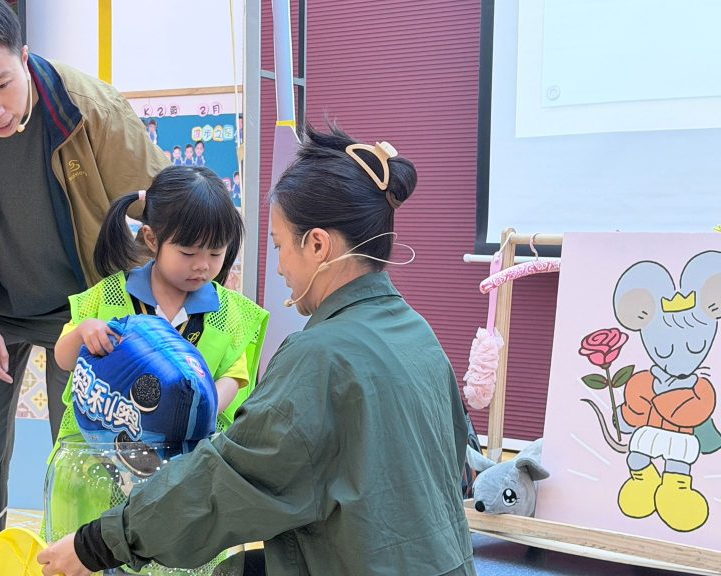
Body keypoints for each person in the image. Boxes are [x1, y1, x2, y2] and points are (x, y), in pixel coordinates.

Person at [38, 124, 476, 576]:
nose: (281, 267)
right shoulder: (417, 333)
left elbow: (227, 481)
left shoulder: (318, 355)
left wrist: (98, 543)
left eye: (280, 246)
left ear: (318, 245)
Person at [0, 1, 167, 574]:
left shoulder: (90, 107)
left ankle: (81, 565)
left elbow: (165, 204)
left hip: (85, 303)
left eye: (3, 84)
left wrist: (171, 294)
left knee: (81, 446)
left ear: (23, 57)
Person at [53, 165, 269, 439]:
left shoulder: (229, 312)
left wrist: (196, 415)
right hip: (105, 451)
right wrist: (84, 332)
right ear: (152, 239)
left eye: (215, 253)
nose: (202, 266)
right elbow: (63, 359)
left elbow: (234, 377)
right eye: (188, 253)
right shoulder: (109, 295)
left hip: (189, 454)